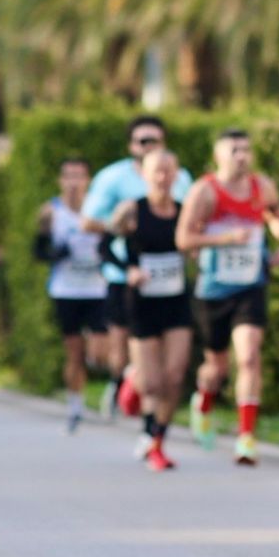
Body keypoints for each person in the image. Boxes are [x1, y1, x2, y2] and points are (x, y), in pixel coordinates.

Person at [177, 128, 279, 466]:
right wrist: (226, 238)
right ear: (219, 155)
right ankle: (204, 401)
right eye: (234, 150)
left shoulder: (262, 187)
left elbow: (278, 218)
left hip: (250, 284)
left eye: (246, 150)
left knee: (248, 357)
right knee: (216, 366)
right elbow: (184, 239)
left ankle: (246, 438)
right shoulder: (205, 191)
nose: (242, 156)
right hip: (213, 288)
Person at [81, 116, 193, 421]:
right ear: (132, 146)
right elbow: (90, 223)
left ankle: (149, 418)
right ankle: (125, 379)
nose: (149, 146)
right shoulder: (113, 179)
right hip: (126, 277)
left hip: (171, 281)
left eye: (155, 140)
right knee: (120, 352)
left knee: (168, 371)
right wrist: (133, 228)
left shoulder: (181, 179)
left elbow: (189, 221)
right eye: (143, 141)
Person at [101, 151, 192, 472]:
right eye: (157, 171)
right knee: (152, 384)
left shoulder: (184, 213)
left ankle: (158, 442)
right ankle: (135, 380)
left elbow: (193, 245)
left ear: (177, 174)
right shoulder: (132, 210)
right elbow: (103, 247)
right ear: (145, 175)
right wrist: (128, 271)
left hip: (176, 301)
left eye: (169, 171)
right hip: (142, 303)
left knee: (175, 375)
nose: (163, 177)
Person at [34, 157, 108, 433]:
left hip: (97, 288)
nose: (74, 182)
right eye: (69, 176)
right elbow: (38, 250)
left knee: (100, 353)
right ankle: (75, 405)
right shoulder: (50, 212)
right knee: (74, 352)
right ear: (61, 180)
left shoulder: (99, 209)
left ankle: (106, 381)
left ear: (88, 180)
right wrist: (57, 253)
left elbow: (112, 240)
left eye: (80, 176)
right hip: (66, 290)